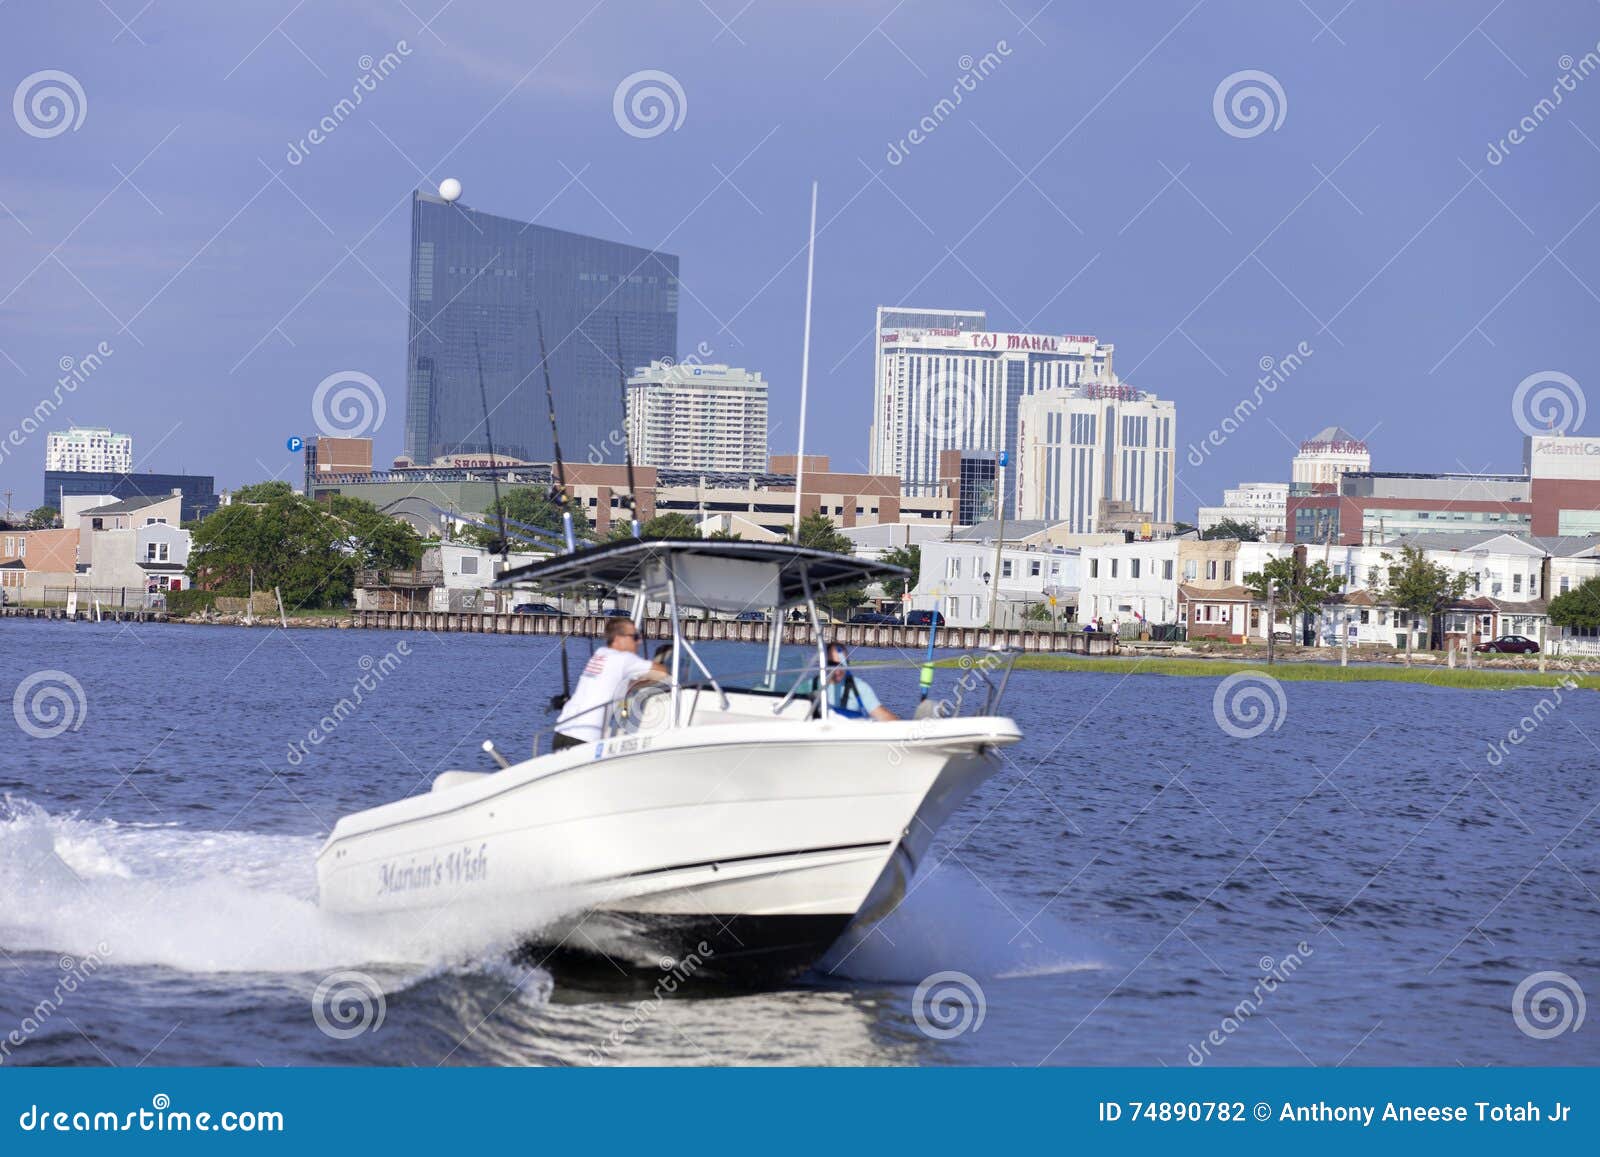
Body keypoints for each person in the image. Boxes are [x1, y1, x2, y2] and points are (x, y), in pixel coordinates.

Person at [552, 618, 667, 750]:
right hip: (585, 738)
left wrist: (634, 684)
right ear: (618, 638)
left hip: (562, 732)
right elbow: (662, 672)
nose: (639, 641)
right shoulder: (624, 659)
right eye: (635, 637)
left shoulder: (601, 653)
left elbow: (613, 682)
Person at [822, 642, 899, 721]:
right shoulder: (811, 686)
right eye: (833, 664)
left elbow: (884, 715)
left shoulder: (860, 687)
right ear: (825, 663)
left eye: (842, 665)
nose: (837, 671)